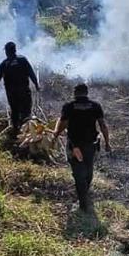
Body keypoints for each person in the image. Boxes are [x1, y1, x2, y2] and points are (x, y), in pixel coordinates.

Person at [52, 84, 111, 213]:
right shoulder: (95, 106)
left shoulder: (69, 106)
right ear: (86, 93)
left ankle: (83, 204)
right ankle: (84, 195)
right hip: (91, 145)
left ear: (75, 93)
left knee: (78, 173)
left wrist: (56, 134)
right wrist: (107, 143)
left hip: (75, 146)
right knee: (88, 169)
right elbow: (103, 125)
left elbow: (63, 123)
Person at [0, 41, 40, 129]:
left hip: (12, 94)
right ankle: (27, 128)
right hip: (24, 91)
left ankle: (16, 130)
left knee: (15, 111)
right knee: (26, 111)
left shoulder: (4, 64)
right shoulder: (23, 60)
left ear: (6, 52)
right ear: (15, 50)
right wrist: (36, 84)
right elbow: (31, 73)